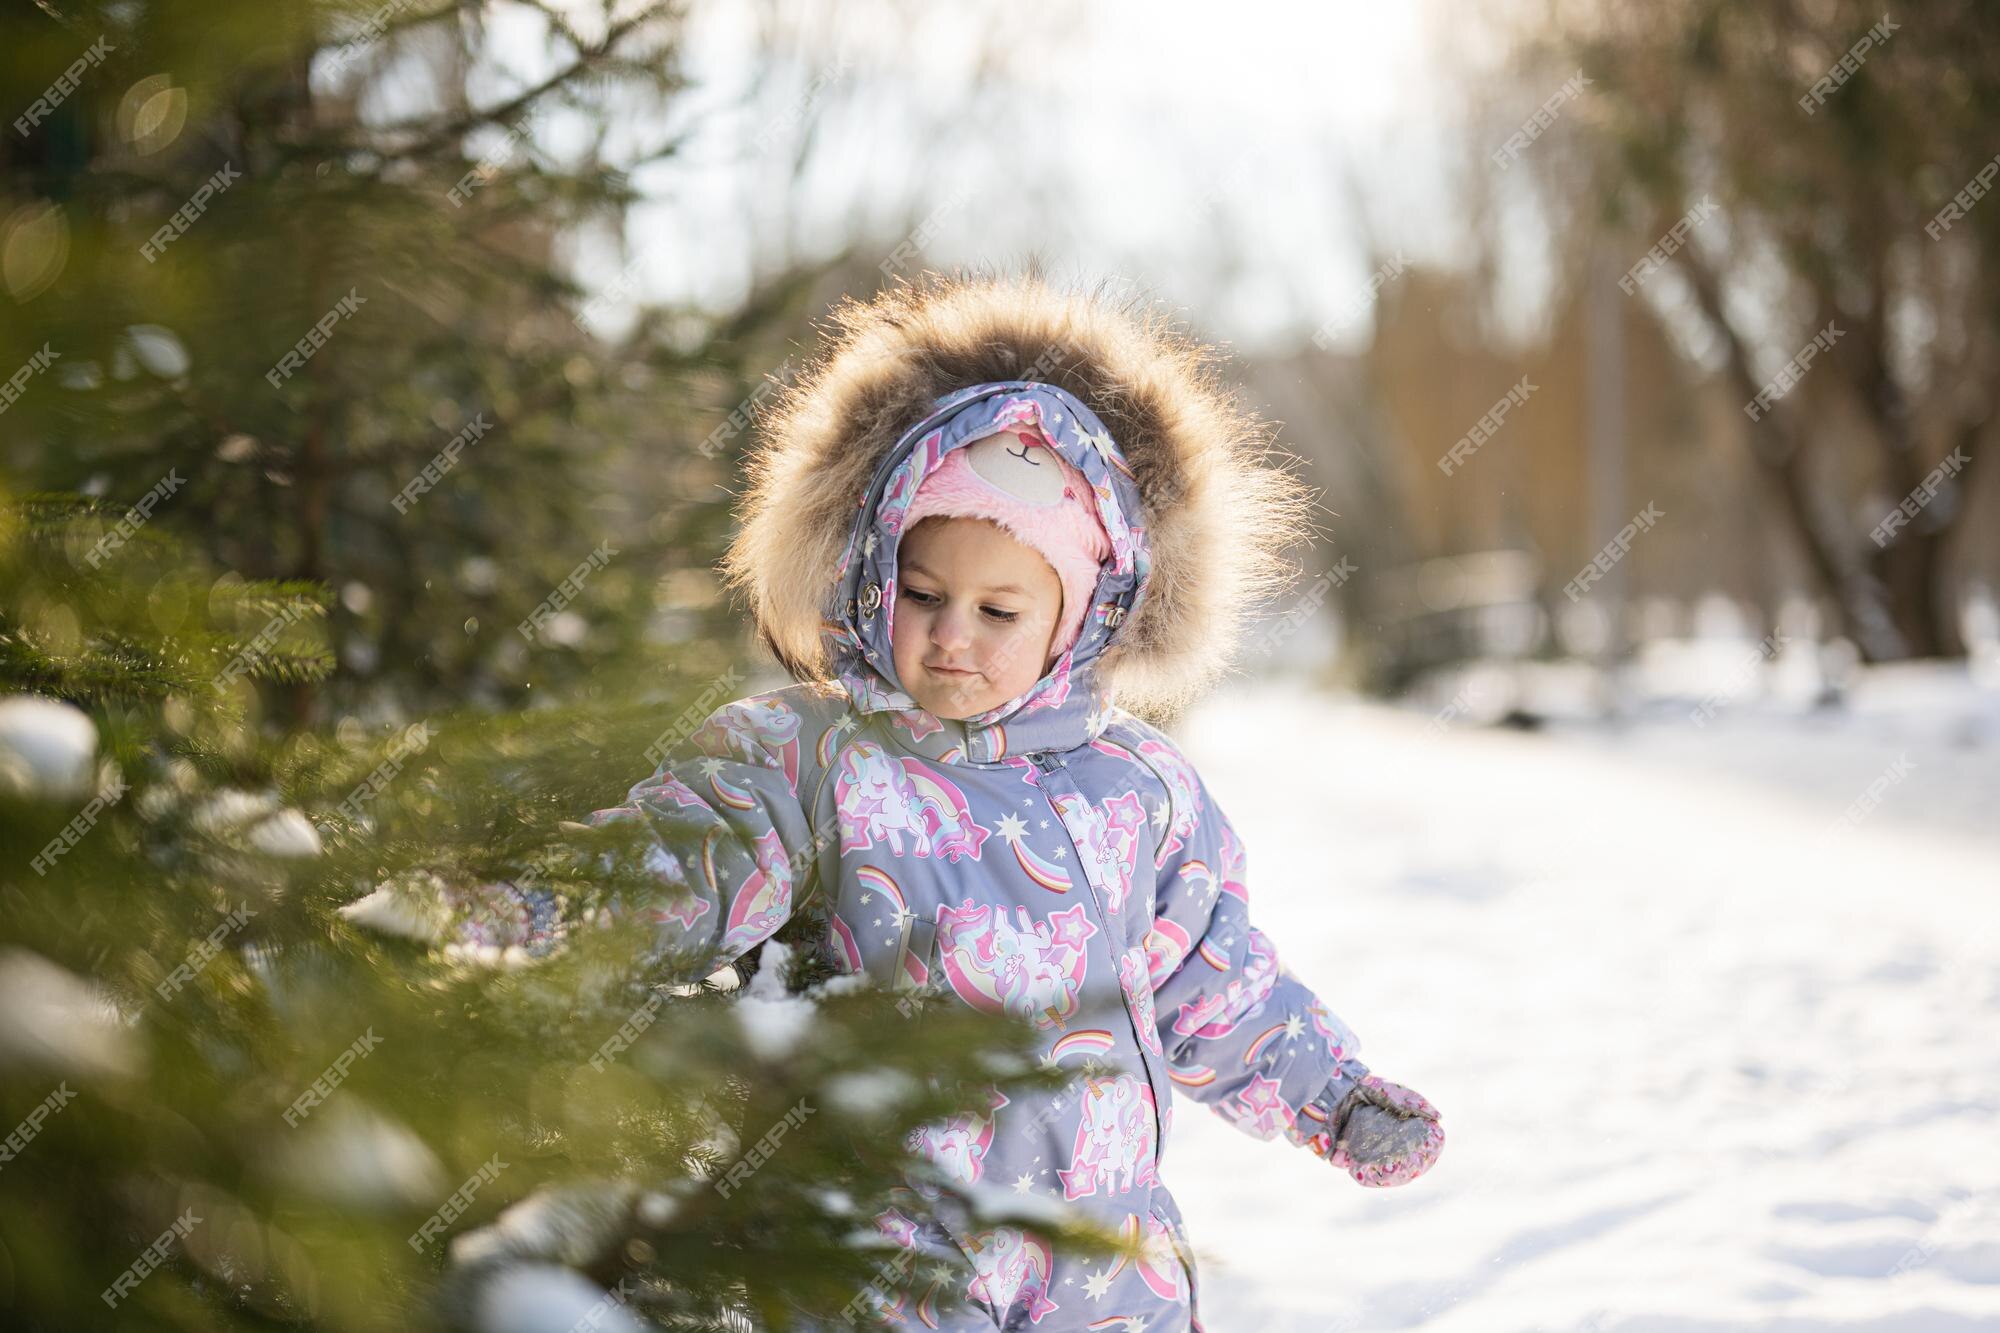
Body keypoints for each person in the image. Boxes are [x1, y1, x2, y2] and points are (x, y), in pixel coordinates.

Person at [362, 272, 1445, 1330]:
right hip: (892, 1252)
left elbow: (1217, 982)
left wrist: (1333, 1096)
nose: (950, 634)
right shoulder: (815, 759)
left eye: (998, 609)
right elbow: (682, 859)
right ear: (875, 573)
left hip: (1105, 1261)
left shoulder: (1139, 794)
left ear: (1078, 621)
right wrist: (541, 910)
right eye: (922, 593)